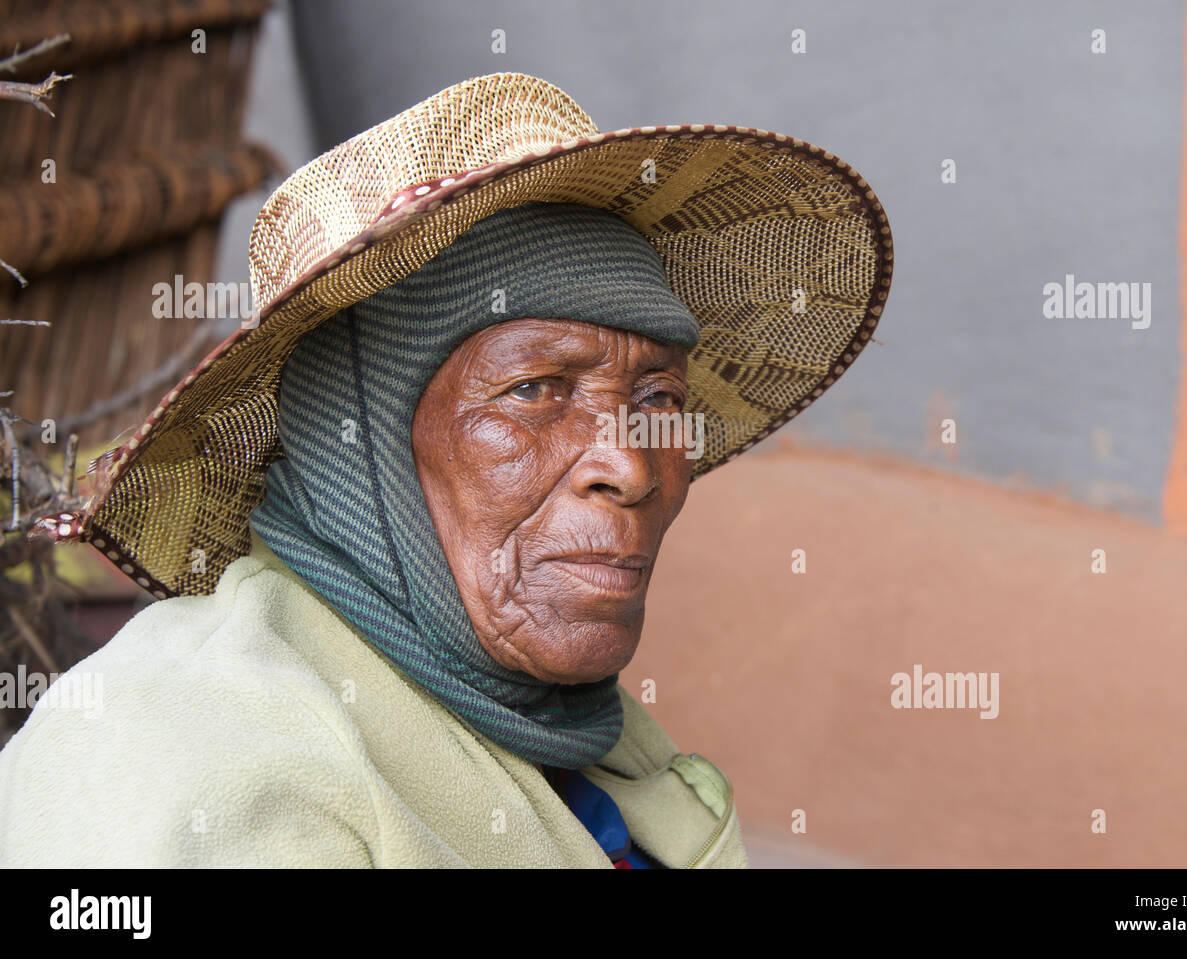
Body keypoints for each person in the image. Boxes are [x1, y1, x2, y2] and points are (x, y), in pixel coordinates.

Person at [0, 73, 892, 867]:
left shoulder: (571, 732)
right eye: (534, 389)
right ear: (358, 448)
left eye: (657, 397)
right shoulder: (189, 752)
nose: (629, 464)